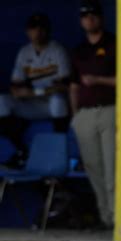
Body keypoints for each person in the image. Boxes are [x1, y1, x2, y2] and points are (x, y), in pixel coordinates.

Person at [69, 0, 118, 229]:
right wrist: (75, 115)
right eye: (85, 16)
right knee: (93, 167)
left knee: (112, 168)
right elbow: (73, 85)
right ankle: (105, 217)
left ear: (101, 18)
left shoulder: (114, 43)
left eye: (93, 15)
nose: (89, 19)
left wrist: (98, 80)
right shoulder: (79, 50)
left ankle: (118, 218)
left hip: (110, 110)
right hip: (85, 114)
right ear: (81, 21)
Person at [0, 13, 70, 169]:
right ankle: (21, 148)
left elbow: (65, 85)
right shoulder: (24, 52)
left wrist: (35, 92)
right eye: (33, 28)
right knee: (1, 102)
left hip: (52, 105)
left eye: (41, 28)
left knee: (58, 100)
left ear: (48, 30)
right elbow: (15, 86)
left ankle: (59, 150)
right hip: (31, 105)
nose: (37, 32)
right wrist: (20, 92)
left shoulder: (57, 50)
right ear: (27, 32)